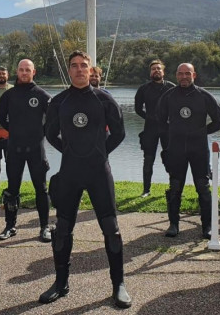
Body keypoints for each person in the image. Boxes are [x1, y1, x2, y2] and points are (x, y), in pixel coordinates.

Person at [40, 51, 131, 308]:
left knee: (112, 231)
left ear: (91, 70)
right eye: (74, 66)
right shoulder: (59, 101)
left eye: (84, 66)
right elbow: (50, 134)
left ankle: (119, 285)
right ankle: (61, 283)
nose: (79, 70)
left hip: (99, 173)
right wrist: (70, 153)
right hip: (70, 172)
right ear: (69, 71)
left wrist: (100, 153)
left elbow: (120, 133)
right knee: (63, 231)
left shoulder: (104, 100)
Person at [157, 63, 220, 239]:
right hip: (176, 149)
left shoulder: (204, 96)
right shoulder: (169, 96)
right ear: (176, 75)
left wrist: (202, 132)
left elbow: (219, 120)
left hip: (199, 149)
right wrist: (168, 144)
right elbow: (160, 122)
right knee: (175, 186)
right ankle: (173, 224)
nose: (184, 77)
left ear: (194, 75)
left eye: (188, 73)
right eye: (181, 74)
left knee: (203, 187)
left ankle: (207, 226)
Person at [0, 59, 52, 242]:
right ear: (16, 72)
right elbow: (0, 118)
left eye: (28, 70)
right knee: (12, 189)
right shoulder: (9, 95)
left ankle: (44, 227)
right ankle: (10, 226)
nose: (24, 72)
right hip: (15, 148)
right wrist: (16, 130)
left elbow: (51, 121)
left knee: (41, 189)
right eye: (21, 70)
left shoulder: (42, 95)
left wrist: (39, 133)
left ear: (34, 72)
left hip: (36, 148)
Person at [134, 60, 174, 197]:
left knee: (171, 158)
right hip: (150, 128)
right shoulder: (143, 89)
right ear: (150, 72)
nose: (156, 70)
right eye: (153, 69)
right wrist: (149, 118)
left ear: (163, 71)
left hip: (167, 128)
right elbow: (138, 109)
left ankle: (173, 188)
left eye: (158, 68)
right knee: (148, 159)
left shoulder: (171, 87)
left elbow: (177, 107)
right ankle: (146, 190)